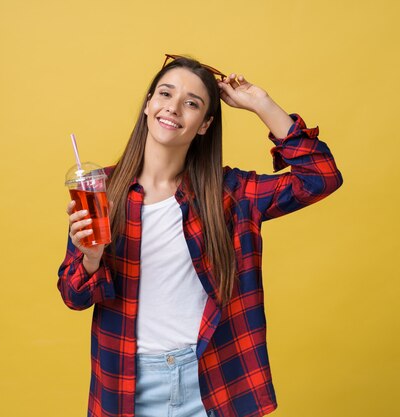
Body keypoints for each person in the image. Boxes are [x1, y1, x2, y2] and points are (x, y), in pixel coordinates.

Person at [57, 55, 343, 417]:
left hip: (213, 383)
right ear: (148, 104)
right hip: (128, 386)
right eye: (165, 94)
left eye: (191, 103)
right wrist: (91, 257)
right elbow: (73, 296)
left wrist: (261, 104)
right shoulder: (103, 192)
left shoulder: (230, 194)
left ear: (205, 124)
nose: (173, 108)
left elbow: (320, 177)